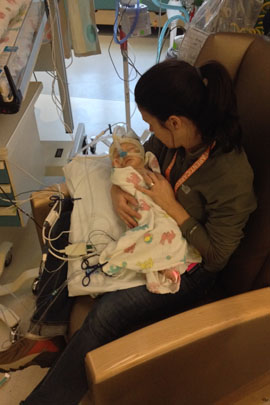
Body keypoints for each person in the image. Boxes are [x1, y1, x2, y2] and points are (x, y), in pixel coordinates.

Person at [0, 59, 256, 405]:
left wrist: (172, 205)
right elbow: (143, 151)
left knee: (107, 313)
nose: (150, 130)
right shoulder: (179, 140)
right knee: (70, 213)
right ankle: (48, 332)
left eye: (153, 123)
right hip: (153, 226)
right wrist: (117, 188)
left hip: (190, 265)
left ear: (175, 122)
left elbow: (217, 256)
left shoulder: (231, 177)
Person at [101, 131, 202, 294]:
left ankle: (167, 266)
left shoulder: (153, 167)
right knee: (146, 237)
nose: (123, 154)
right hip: (142, 214)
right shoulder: (124, 174)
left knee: (171, 232)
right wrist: (116, 183)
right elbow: (118, 178)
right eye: (117, 154)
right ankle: (157, 270)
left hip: (163, 212)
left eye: (130, 149)